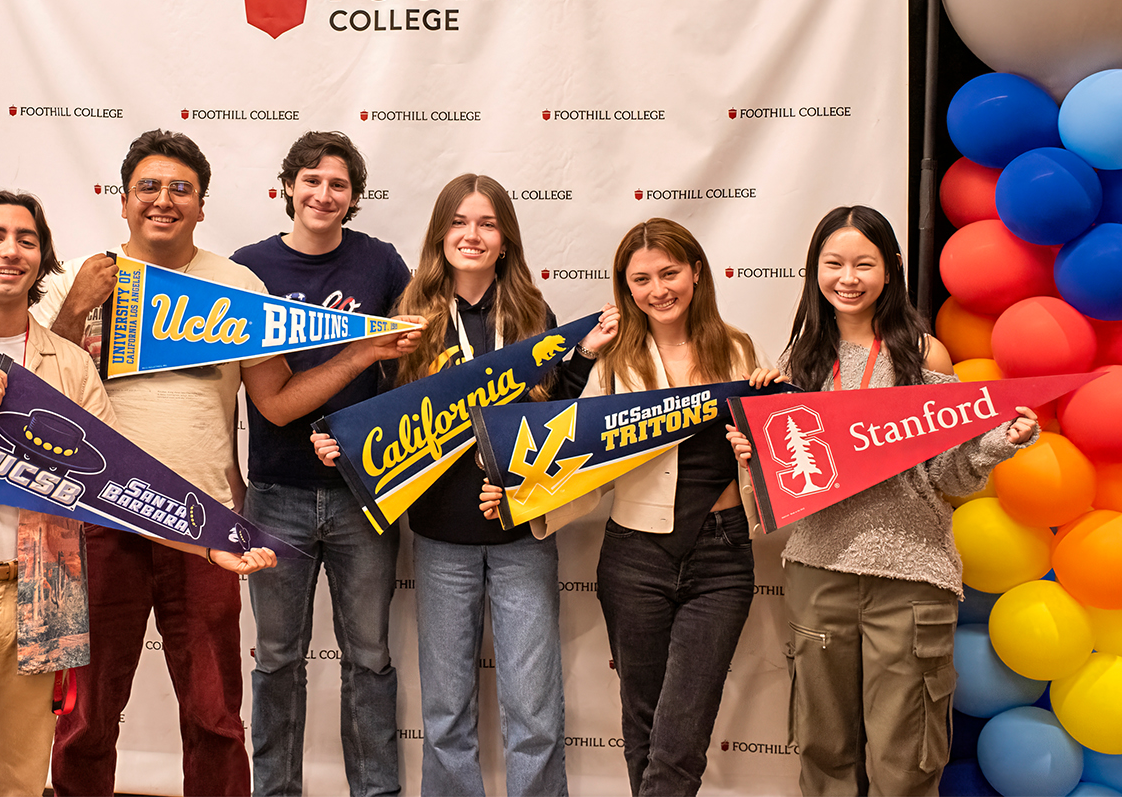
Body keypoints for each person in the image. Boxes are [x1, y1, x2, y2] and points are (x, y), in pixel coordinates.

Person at [0, 191, 276, 797]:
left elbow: (117, 490)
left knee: (21, 786)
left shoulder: (70, 366)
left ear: (41, 261)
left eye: (26, 240)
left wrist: (207, 546)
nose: (10, 251)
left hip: (39, 604)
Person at [34, 129, 414, 797]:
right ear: (123, 201)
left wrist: (359, 355)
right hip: (98, 521)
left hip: (201, 524)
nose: (163, 200)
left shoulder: (236, 284)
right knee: (87, 715)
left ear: (202, 206)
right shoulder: (76, 281)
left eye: (180, 189)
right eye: (148, 187)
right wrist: (72, 311)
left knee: (214, 715)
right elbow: (32, 399)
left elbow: (275, 403)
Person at [314, 174, 618, 796]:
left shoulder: (535, 314)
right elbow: (380, 414)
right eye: (458, 222)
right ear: (440, 235)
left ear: (504, 238)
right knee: (446, 712)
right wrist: (337, 441)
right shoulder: (408, 321)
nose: (471, 235)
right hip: (440, 538)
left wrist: (582, 358)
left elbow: (552, 419)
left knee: (533, 711)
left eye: (486, 223)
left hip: (521, 535)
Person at [730, 205, 1039, 796]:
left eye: (863, 264)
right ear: (814, 270)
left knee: (907, 762)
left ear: (891, 269)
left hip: (912, 577)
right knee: (824, 752)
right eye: (834, 263)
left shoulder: (925, 357)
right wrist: (754, 451)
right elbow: (789, 483)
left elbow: (951, 476)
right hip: (820, 571)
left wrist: (999, 444)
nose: (848, 278)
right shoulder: (798, 363)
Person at [493, 217, 760, 797]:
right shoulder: (614, 361)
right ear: (625, 287)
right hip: (634, 556)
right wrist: (520, 499)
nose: (658, 289)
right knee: (643, 720)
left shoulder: (738, 348)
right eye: (641, 279)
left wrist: (759, 440)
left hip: (723, 554)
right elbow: (580, 459)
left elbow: (765, 456)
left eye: (669, 273)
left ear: (696, 272)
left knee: (680, 732)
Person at [230, 131, 413, 797]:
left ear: (353, 199)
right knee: (277, 660)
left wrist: (371, 442)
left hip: (364, 495)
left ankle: (377, 791)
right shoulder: (246, 270)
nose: (323, 194)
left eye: (338, 185)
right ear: (287, 188)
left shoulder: (383, 265)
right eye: (311, 180)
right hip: (276, 492)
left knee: (369, 658)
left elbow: (411, 369)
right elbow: (259, 399)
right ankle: (275, 790)